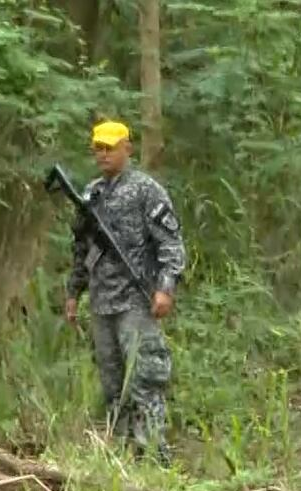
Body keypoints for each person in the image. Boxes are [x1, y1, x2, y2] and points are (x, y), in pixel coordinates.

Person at [64, 120, 186, 465]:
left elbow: (171, 243)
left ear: (126, 149)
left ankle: (154, 457)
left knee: (145, 379)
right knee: (112, 386)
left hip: (136, 300)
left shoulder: (147, 191)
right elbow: (81, 249)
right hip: (102, 303)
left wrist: (165, 287)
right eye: (97, 148)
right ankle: (121, 458)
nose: (102, 154)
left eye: (109, 147)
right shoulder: (90, 195)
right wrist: (74, 292)